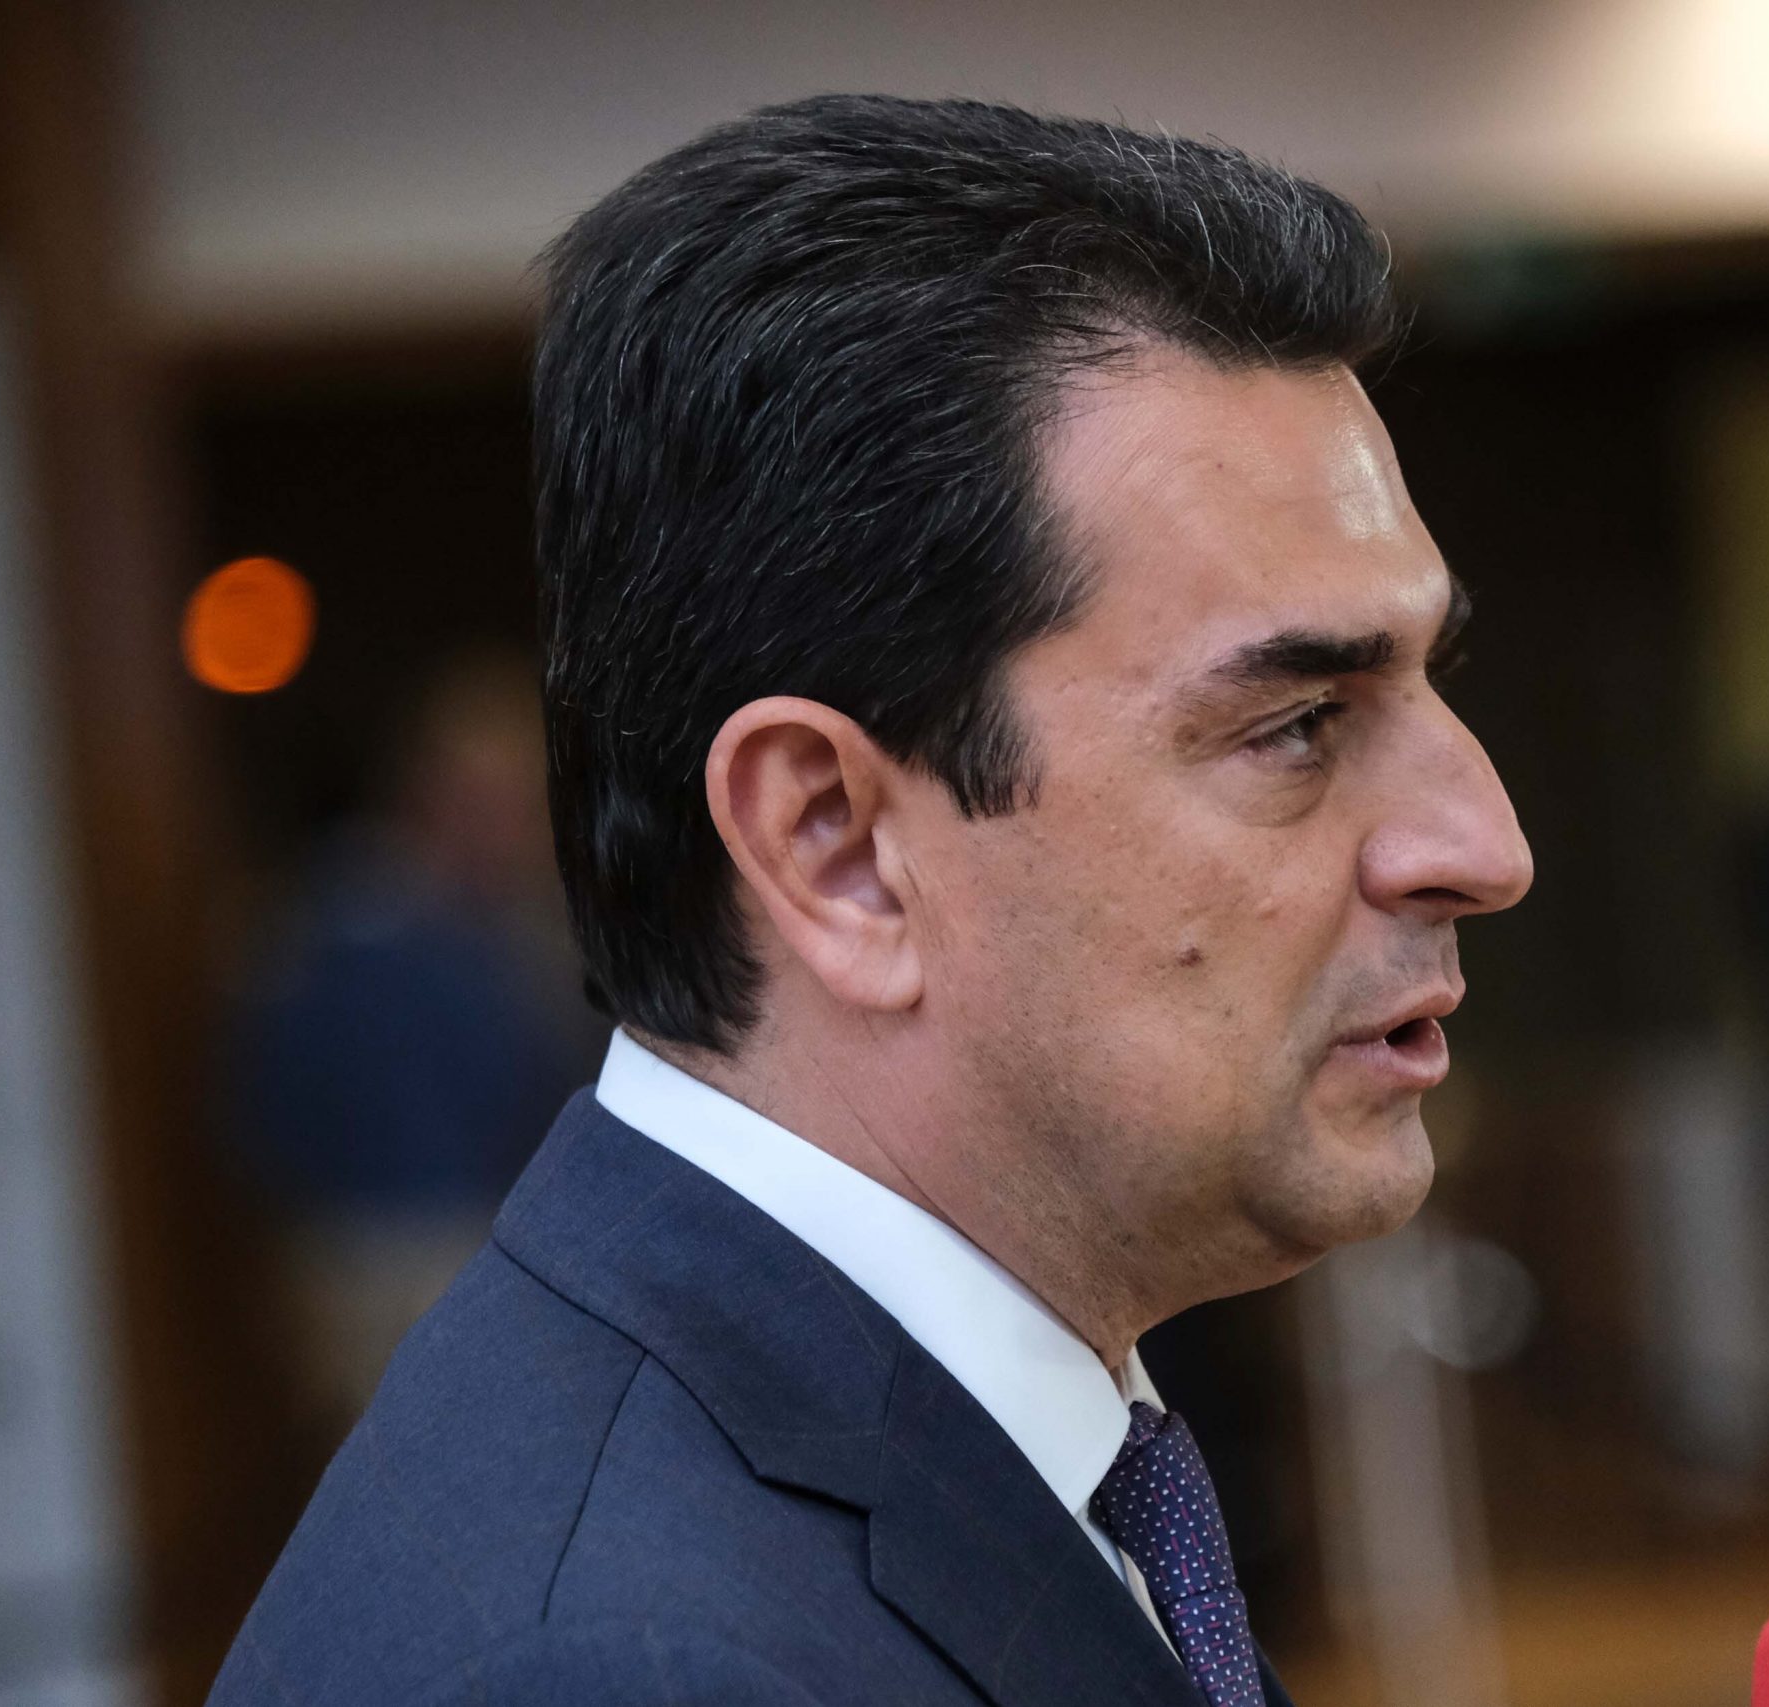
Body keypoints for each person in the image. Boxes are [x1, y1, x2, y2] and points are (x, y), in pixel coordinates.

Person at [210, 94, 1530, 1707]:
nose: (1482, 842)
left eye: (1429, 683)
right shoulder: (630, 1667)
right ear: (836, 846)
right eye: (1298, 723)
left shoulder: (915, 1438)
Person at [221, 650, 595, 1430]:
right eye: (481, 798)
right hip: (374, 1263)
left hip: (500, 1244)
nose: (508, 829)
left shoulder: (516, 933)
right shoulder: (347, 931)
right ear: (425, 791)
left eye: (518, 802)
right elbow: (266, 1109)